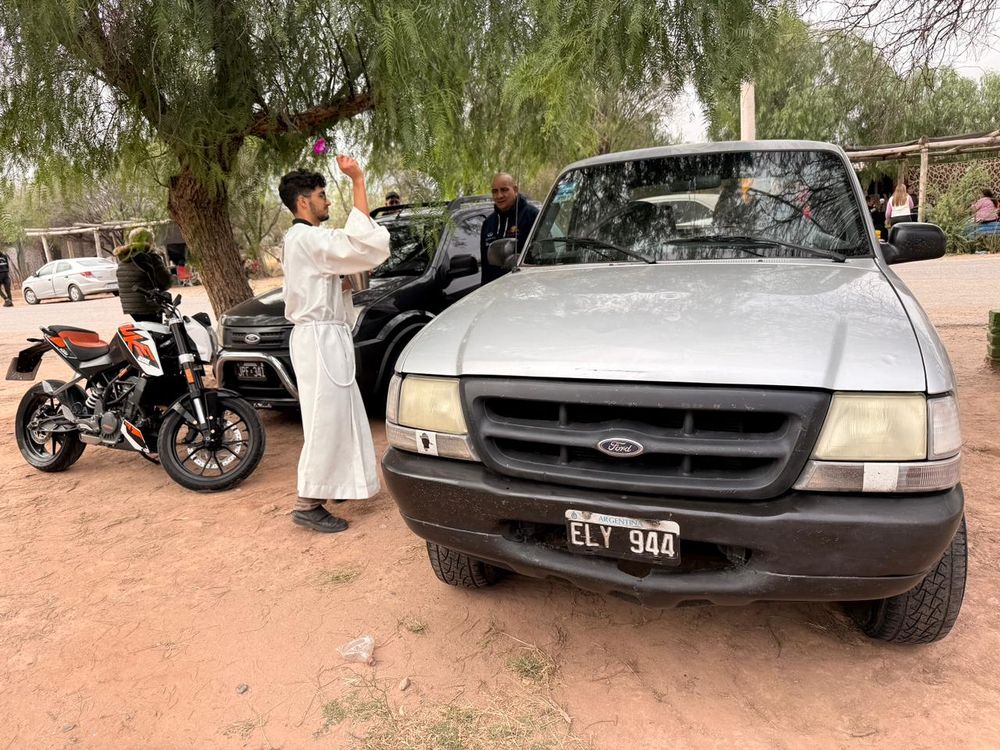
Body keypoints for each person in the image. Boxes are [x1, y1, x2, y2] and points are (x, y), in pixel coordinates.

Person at [278, 159, 390, 534]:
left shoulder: (301, 241)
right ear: (303, 202)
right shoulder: (308, 239)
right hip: (319, 339)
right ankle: (307, 502)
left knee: (339, 414)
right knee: (325, 419)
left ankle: (337, 486)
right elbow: (361, 243)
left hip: (322, 337)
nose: (328, 202)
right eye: (322, 196)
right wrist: (358, 179)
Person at [480, 172, 539, 283]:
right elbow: (485, 267)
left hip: (524, 289)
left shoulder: (532, 215)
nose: (499, 196)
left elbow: (543, 257)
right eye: (495, 191)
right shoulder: (488, 223)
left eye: (504, 190)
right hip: (495, 291)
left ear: (515, 190)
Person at [114, 227, 171, 323]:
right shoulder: (149, 256)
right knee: (157, 333)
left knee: (146, 332)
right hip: (148, 304)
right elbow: (165, 282)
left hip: (130, 306)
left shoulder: (124, 257)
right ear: (149, 240)